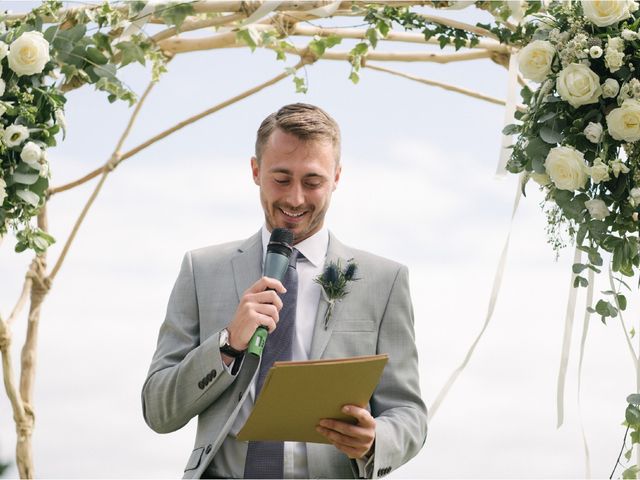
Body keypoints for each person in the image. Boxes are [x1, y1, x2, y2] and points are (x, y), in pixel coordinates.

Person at [142, 103, 427, 479]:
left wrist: (376, 439)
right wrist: (228, 344)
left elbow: (409, 414)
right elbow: (159, 410)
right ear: (255, 171)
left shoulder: (384, 281)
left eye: (312, 182)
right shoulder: (201, 270)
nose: (295, 198)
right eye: (281, 178)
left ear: (337, 177)